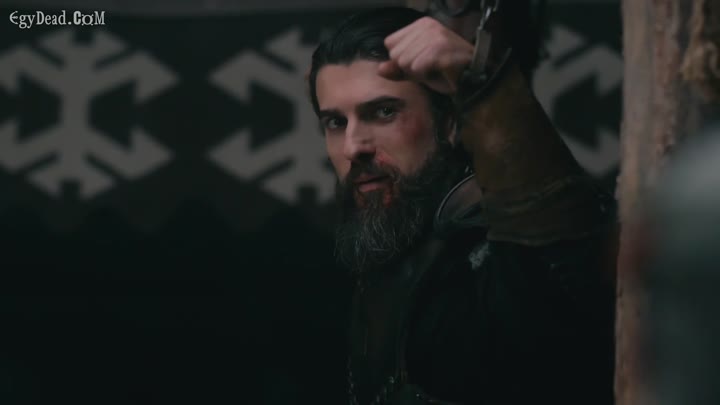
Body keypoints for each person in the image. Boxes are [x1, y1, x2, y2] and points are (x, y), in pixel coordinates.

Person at [307, 5, 616, 405]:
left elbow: (559, 260)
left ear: (450, 123)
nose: (353, 147)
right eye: (336, 122)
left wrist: (484, 84)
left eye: (383, 112)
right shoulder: (383, 241)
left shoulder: (492, 254)